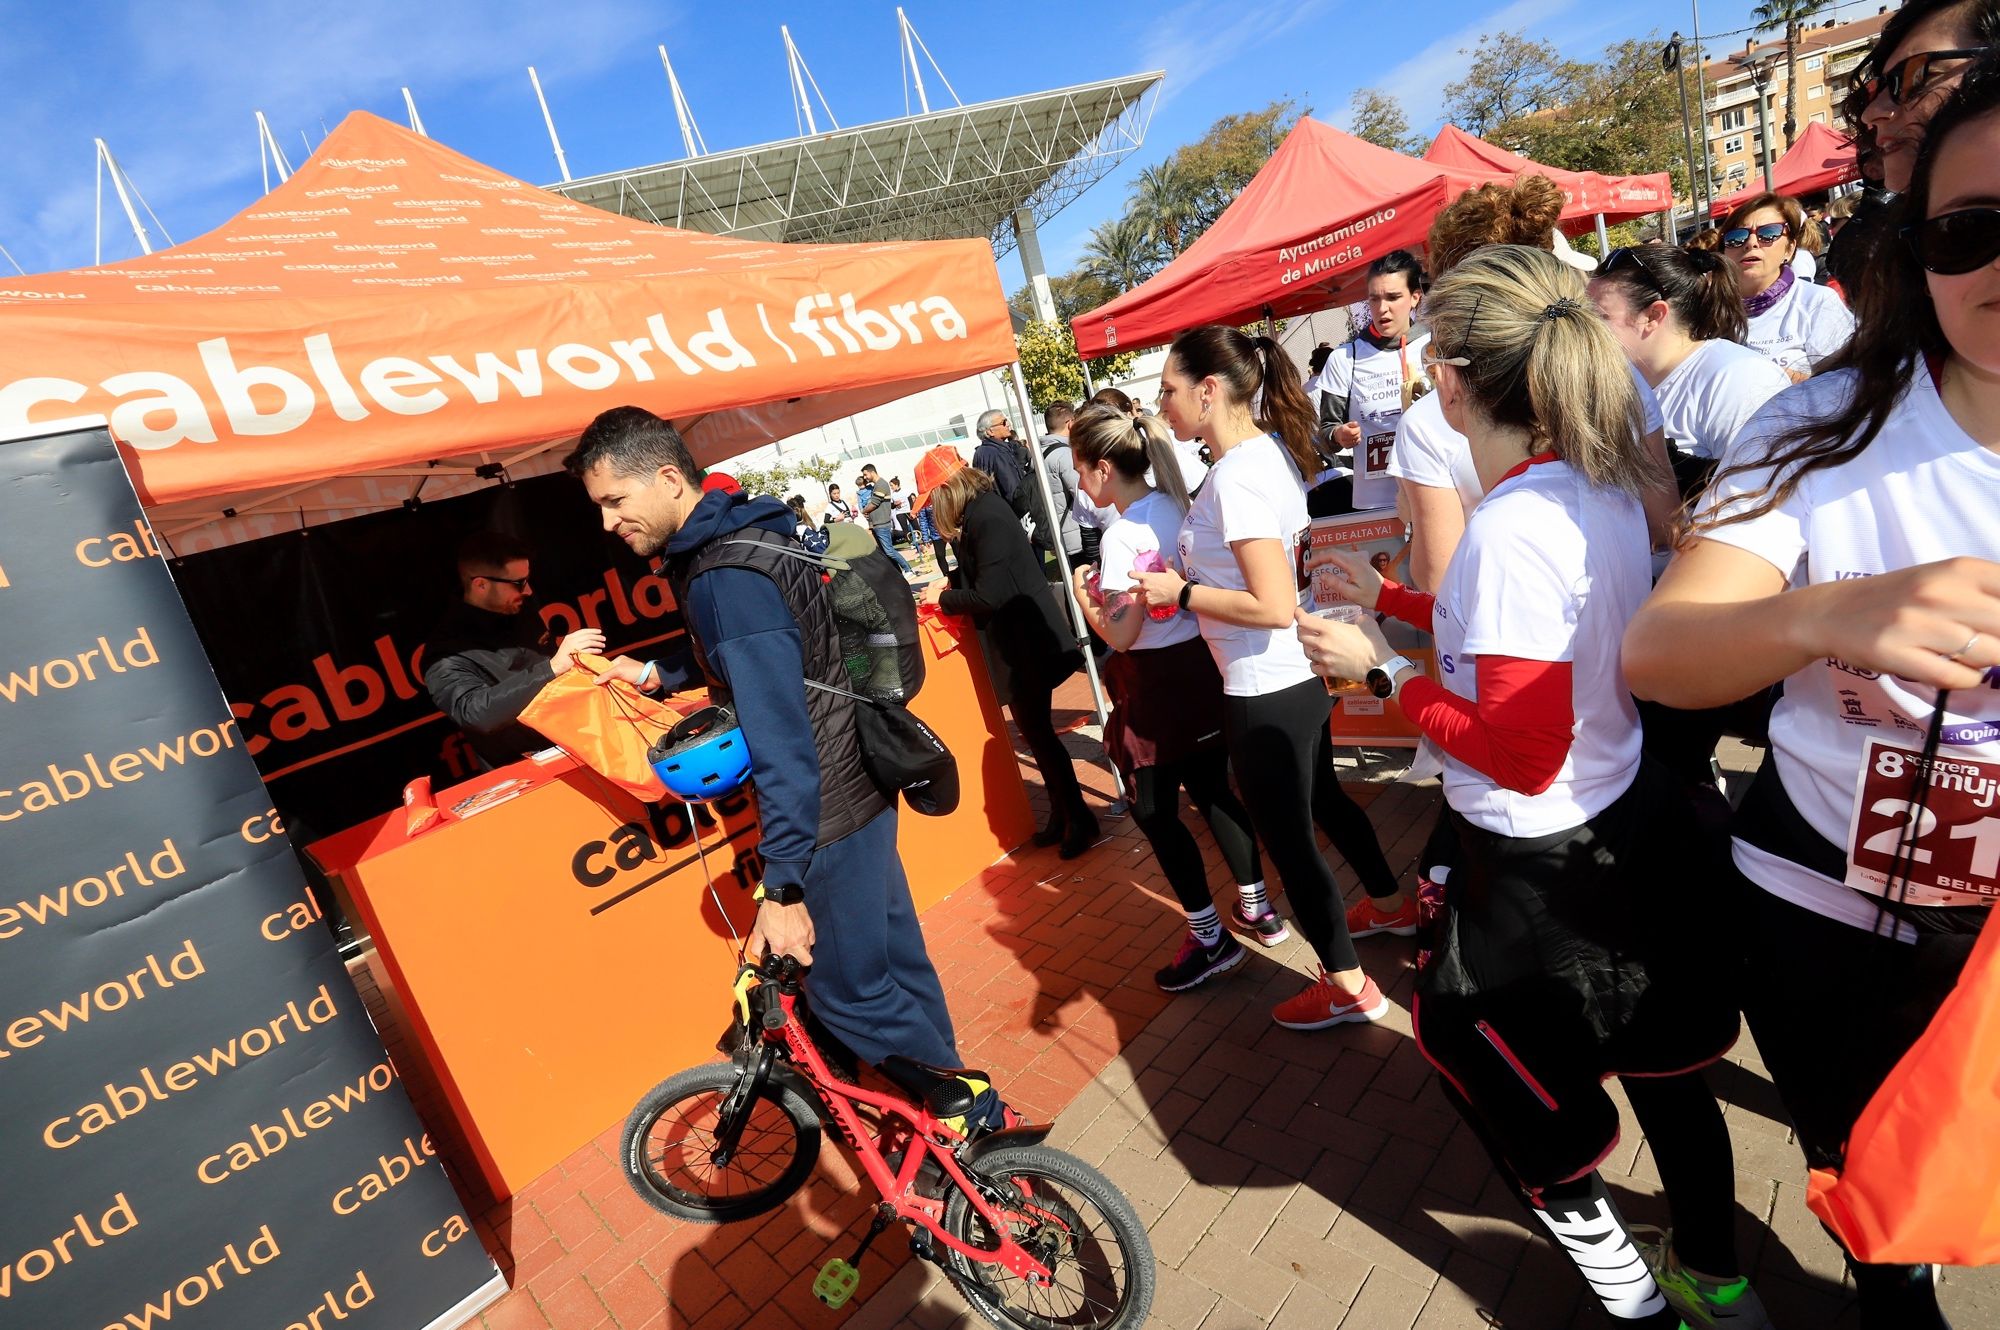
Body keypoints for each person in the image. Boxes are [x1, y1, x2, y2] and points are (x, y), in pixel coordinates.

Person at [1298, 244, 1761, 1330]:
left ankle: (1634, 1305)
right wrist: (1397, 604)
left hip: (1534, 865)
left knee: (1507, 1095)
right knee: (1666, 1074)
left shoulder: (1509, 527)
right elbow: (1528, 645)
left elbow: (1513, 747)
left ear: (1452, 383)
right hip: (1622, 824)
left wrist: (1380, 674)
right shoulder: (1587, 485)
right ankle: (1715, 1275)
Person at [1625, 60, 2000, 1328]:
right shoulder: (1818, 427)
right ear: (1918, 247)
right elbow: (1659, 653)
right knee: (1879, 1217)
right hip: (1828, 909)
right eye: (1968, 228)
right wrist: (1831, 614)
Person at [565, 408, 1010, 1130]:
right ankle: (950, 1106)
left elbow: (780, 737)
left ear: (669, 479)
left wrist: (784, 883)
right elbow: (782, 652)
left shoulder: (720, 578)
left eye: (615, 501)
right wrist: (660, 669)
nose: (609, 522)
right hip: (858, 775)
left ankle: (966, 1116)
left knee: (848, 992)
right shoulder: (753, 531)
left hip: (823, 802)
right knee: (894, 962)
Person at [1127, 326, 1401, 1030]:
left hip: (1264, 687)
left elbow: (1272, 605)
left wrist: (1177, 594)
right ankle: (1393, 907)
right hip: (1290, 680)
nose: (1161, 404)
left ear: (1208, 391)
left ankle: (1348, 986)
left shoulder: (1241, 475)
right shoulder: (1260, 456)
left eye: (1167, 389)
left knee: (1293, 849)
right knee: (1327, 806)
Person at [1068, 404, 1281, 990]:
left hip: (1156, 683)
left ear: (1103, 469)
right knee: (1214, 790)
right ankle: (1258, 907)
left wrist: (1085, 601)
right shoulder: (1179, 506)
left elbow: (1123, 632)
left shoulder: (1120, 535)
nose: (1078, 483)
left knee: (1155, 811)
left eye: (1080, 469)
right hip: (1202, 667)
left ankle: (1209, 936)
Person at [1389, 176, 1677, 596]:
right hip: (1623, 629)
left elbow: (1439, 582)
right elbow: (1665, 520)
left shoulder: (1435, 413)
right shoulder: (1615, 375)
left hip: (1506, 636)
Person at [914, 447, 1098, 858]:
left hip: (1026, 645)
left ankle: (1078, 818)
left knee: (1041, 737)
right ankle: (1064, 813)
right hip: (1020, 643)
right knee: (1037, 735)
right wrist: (950, 584)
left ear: (947, 488)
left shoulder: (987, 516)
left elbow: (989, 593)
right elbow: (984, 577)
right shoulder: (981, 513)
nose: (933, 510)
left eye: (933, 499)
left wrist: (945, 600)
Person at [1587, 245, 1791, 491]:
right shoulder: (1620, 382)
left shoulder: (1738, 379)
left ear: (1653, 316)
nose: (1584, 330)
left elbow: (1764, 496)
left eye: (1598, 317)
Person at [422, 530, 606, 769]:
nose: (528, 591)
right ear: (481, 585)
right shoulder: (445, 652)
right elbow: (475, 713)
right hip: (528, 774)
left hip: (582, 746)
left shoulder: (519, 609)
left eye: (527, 580)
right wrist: (553, 667)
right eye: (518, 583)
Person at [1308, 250, 1432, 513]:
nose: (1382, 308)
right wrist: (1339, 435)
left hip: (1433, 489)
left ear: (1415, 298)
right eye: (1374, 299)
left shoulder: (1433, 347)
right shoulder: (1345, 357)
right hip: (1375, 502)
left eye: (1393, 297)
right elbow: (1326, 432)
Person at [1720, 193, 1856, 381]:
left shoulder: (1816, 302)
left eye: (1768, 234)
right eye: (1737, 236)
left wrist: (1781, 378)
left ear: (1790, 249)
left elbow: (1848, 382)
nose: (1751, 243)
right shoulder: (1711, 311)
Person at [1036, 403, 1085, 581]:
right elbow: (1081, 491)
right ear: (1070, 423)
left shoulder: (1039, 454)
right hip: (1075, 532)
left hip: (1056, 530)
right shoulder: (1064, 454)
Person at [968, 409, 1036, 538]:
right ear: (990, 431)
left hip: (999, 517)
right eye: (1003, 422)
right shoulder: (999, 453)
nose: (1008, 424)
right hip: (1015, 517)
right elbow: (1013, 491)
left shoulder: (979, 453)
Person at [857, 464, 912, 574]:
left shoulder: (881, 484)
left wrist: (864, 511)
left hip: (882, 524)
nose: (865, 478)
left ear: (872, 472)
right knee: (885, 552)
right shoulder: (876, 486)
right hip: (877, 524)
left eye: (865, 474)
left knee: (889, 551)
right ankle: (899, 572)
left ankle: (908, 569)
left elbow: (874, 503)